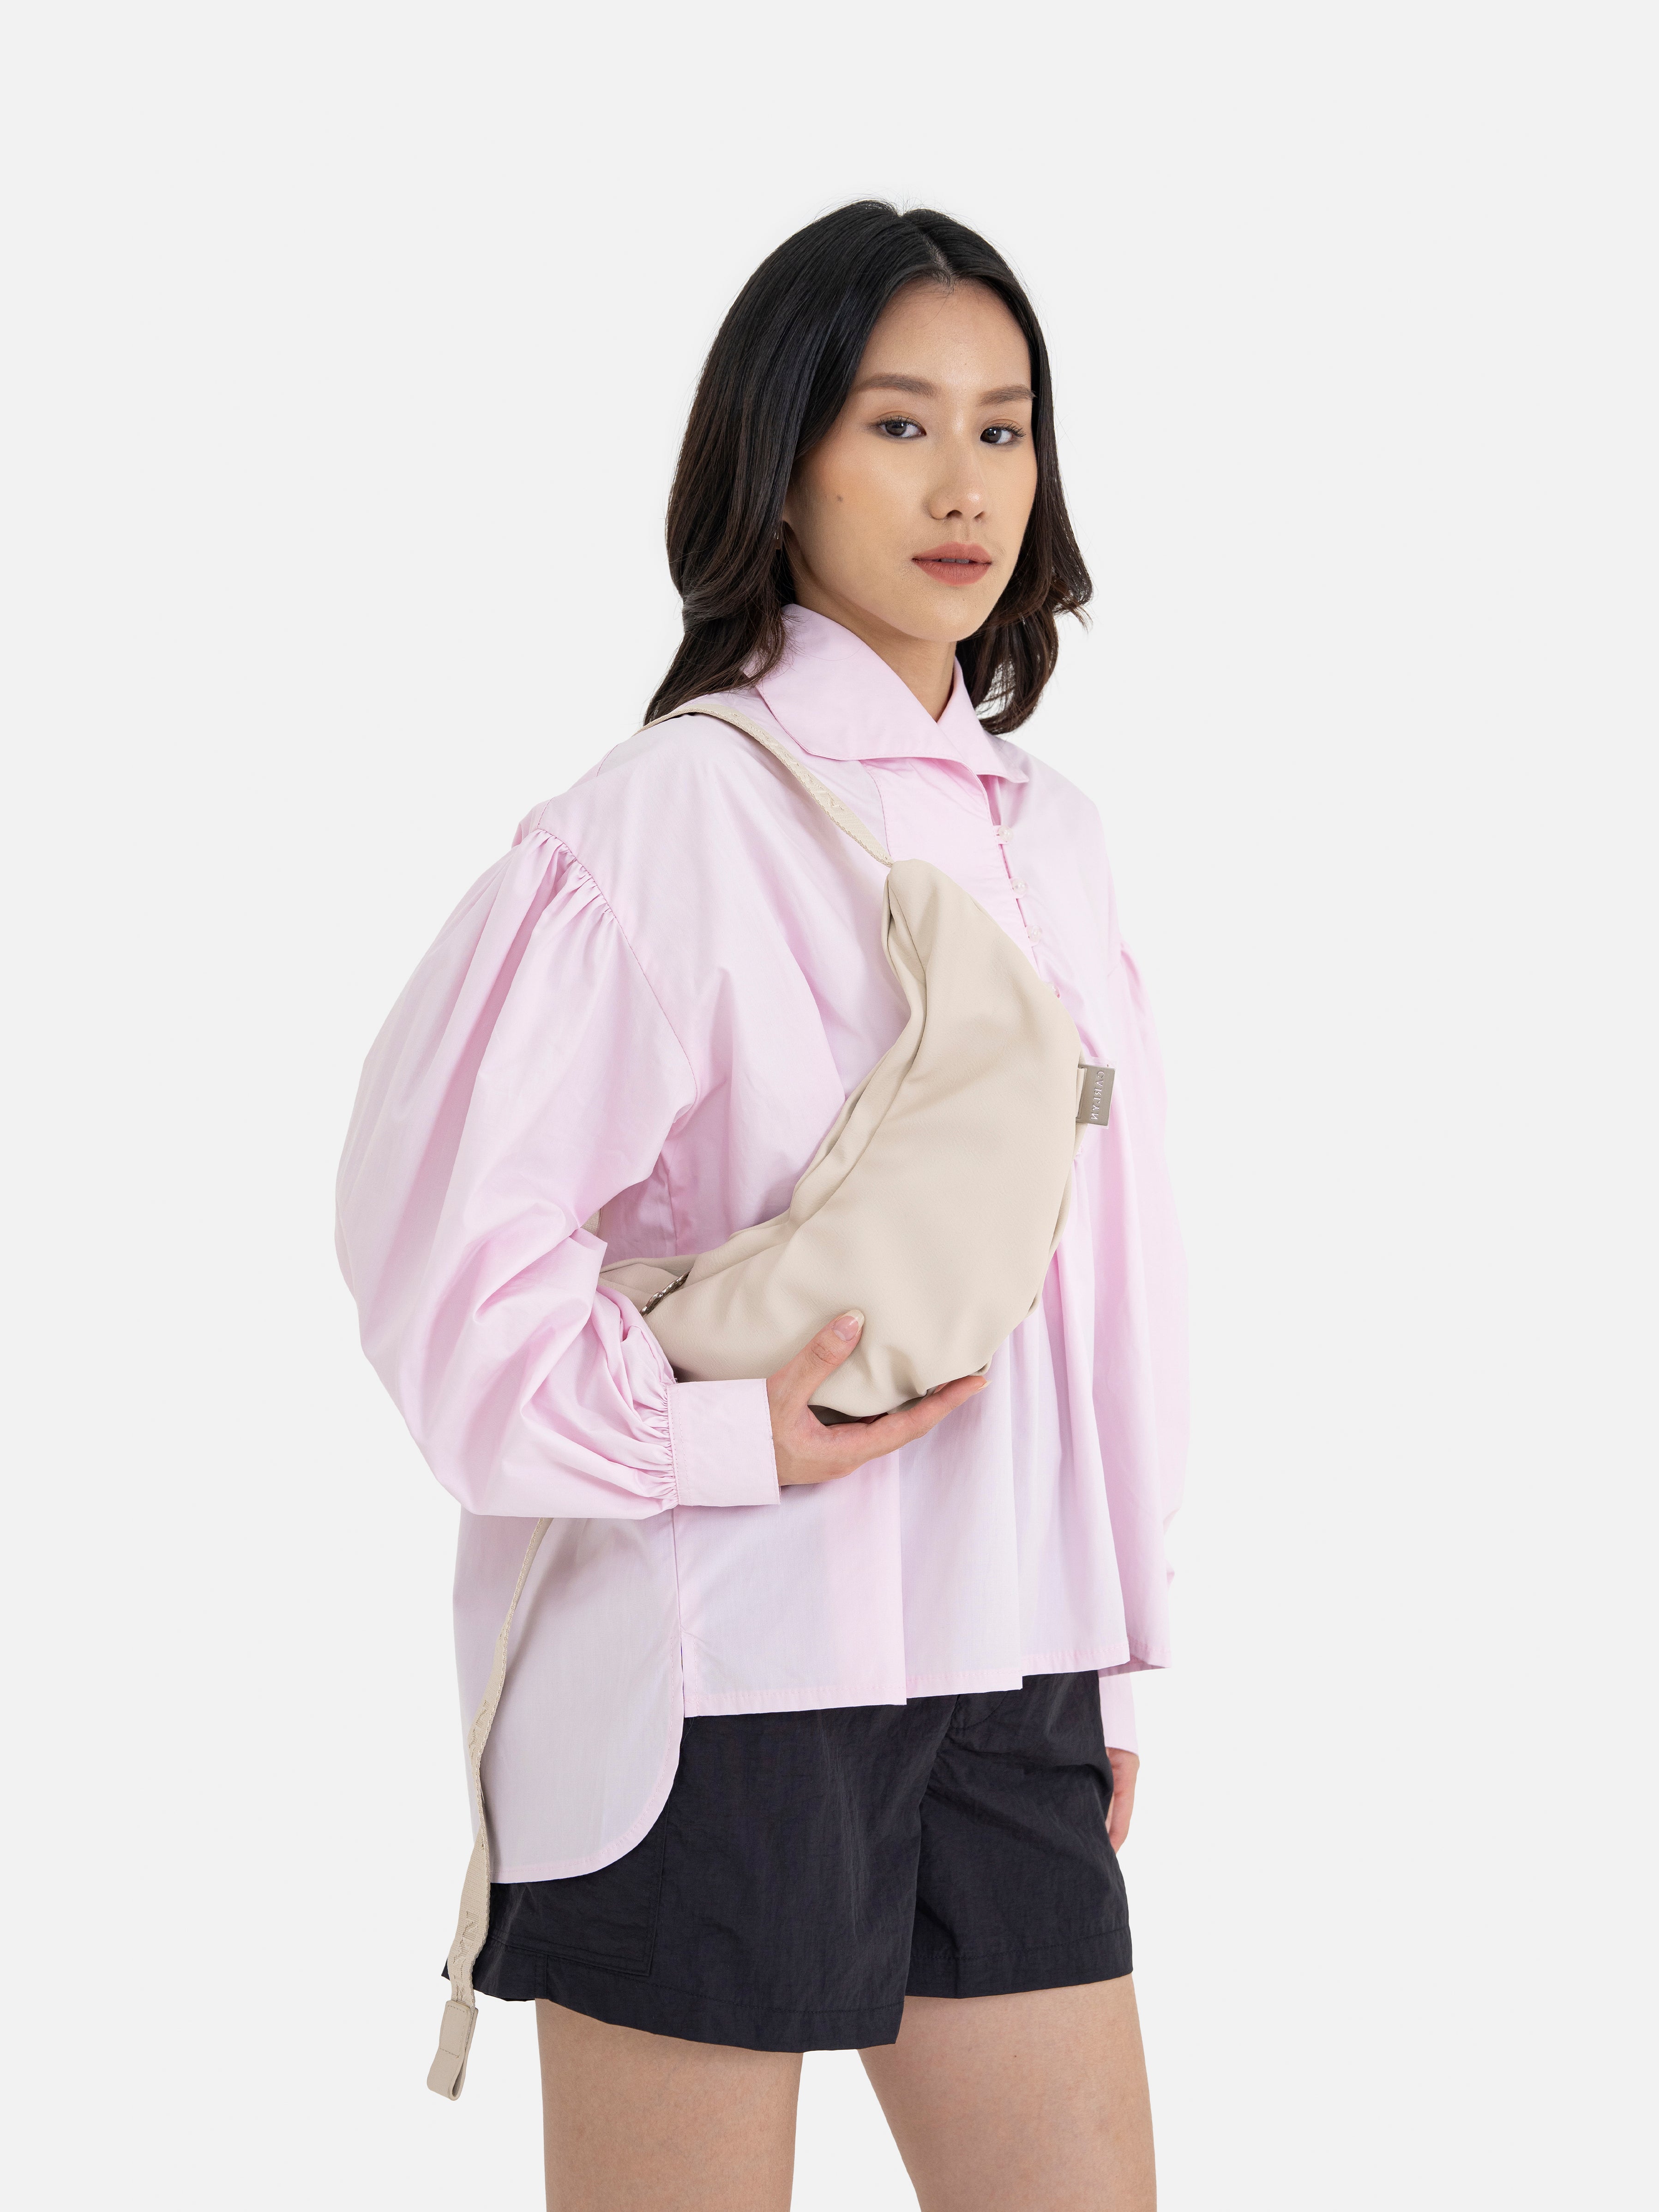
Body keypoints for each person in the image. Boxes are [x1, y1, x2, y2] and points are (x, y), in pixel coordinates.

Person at [337, 200, 1186, 2212]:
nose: (963, 484)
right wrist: (717, 1437)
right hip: (715, 1670)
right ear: (779, 458)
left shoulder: (1055, 840)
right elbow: (440, 1266)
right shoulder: (663, 822)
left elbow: (1108, 1282)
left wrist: (1105, 1645)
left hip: (1007, 1667)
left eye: (1002, 427)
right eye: (899, 424)